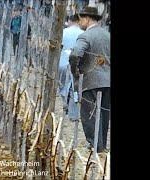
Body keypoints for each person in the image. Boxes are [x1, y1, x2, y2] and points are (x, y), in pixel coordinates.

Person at [69, 7, 110, 153]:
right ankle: (102, 145)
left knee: (89, 114)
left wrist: (76, 70)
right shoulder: (108, 35)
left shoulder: (86, 36)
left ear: (87, 18)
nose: (79, 22)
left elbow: (75, 55)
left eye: (81, 19)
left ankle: (95, 144)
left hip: (91, 80)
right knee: (104, 114)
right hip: (108, 81)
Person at [58, 14, 84, 120]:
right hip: (76, 63)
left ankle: (65, 103)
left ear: (70, 21)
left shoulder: (63, 32)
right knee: (74, 88)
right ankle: (72, 111)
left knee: (63, 85)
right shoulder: (83, 34)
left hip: (62, 62)